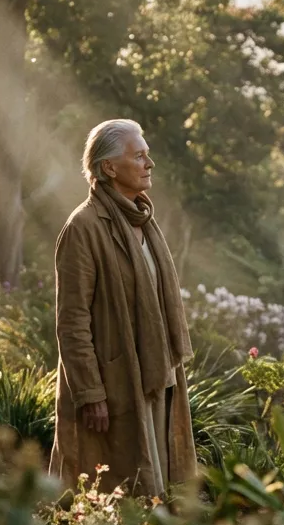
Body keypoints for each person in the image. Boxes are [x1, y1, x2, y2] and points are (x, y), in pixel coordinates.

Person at [49, 118, 197, 498]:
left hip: (154, 377)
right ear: (109, 167)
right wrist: (90, 392)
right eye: (140, 156)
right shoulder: (83, 227)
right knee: (111, 491)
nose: (150, 164)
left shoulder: (144, 220)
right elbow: (72, 321)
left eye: (148, 156)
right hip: (113, 386)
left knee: (157, 485)